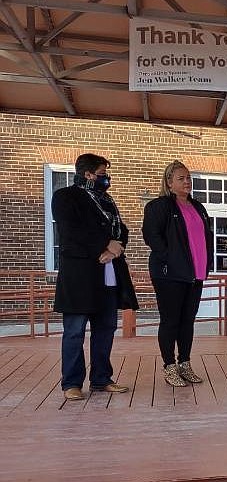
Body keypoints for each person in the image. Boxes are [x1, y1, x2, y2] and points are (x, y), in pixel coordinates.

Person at [52, 153, 138, 400]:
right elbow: (71, 231)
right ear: (87, 174)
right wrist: (105, 245)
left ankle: (101, 378)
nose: (106, 179)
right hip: (80, 276)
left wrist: (116, 246)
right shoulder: (65, 196)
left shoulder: (107, 200)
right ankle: (71, 382)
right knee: (75, 331)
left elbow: (122, 229)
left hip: (108, 274)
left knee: (105, 329)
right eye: (102, 174)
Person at [142, 160, 214, 387]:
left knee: (187, 321)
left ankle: (185, 363)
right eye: (181, 178)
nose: (187, 182)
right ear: (169, 182)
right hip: (169, 274)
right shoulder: (159, 206)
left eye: (189, 178)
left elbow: (205, 238)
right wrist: (170, 258)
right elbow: (151, 236)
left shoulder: (198, 207)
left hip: (194, 273)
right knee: (171, 320)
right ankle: (169, 366)